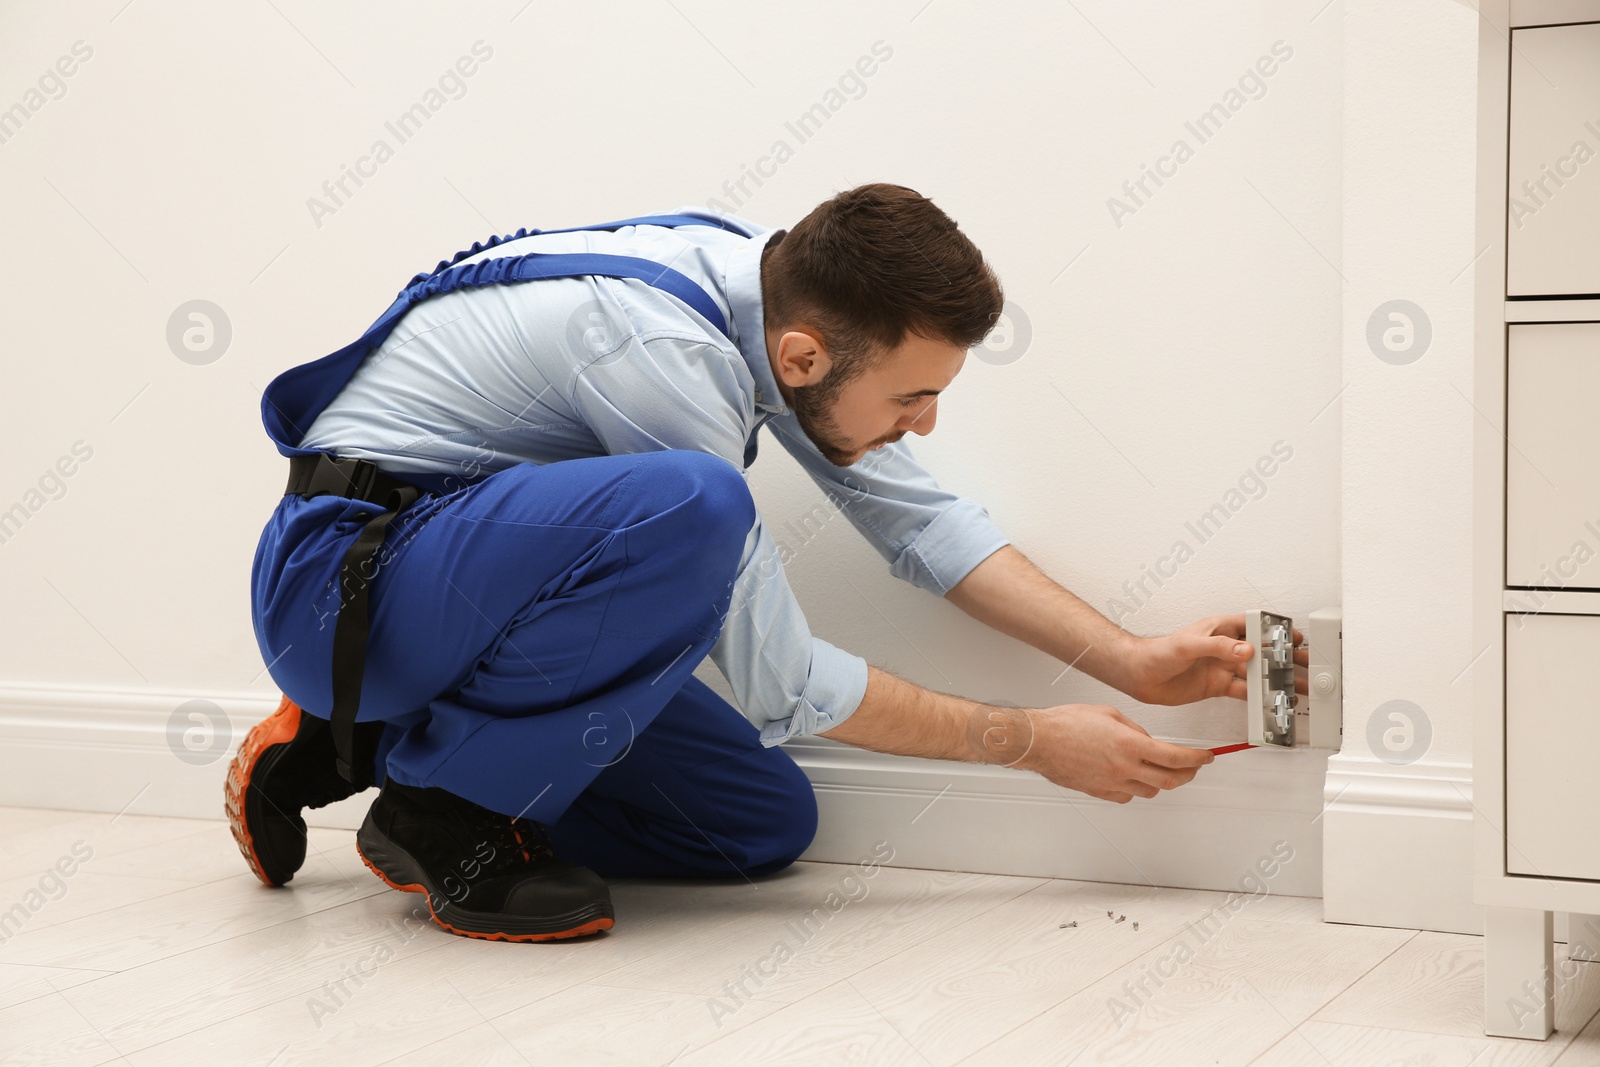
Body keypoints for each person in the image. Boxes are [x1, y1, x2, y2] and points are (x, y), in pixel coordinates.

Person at [226, 182, 1304, 943]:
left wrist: (1124, 658)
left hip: (463, 598)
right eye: (911, 396)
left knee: (754, 821)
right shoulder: (660, 346)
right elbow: (779, 677)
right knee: (694, 510)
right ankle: (437, 805)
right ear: (804, 356)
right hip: (343, 593)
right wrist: (1029, 740)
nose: (923, 425)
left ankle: (370, 748)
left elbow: (917, 520)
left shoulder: (764, 288)